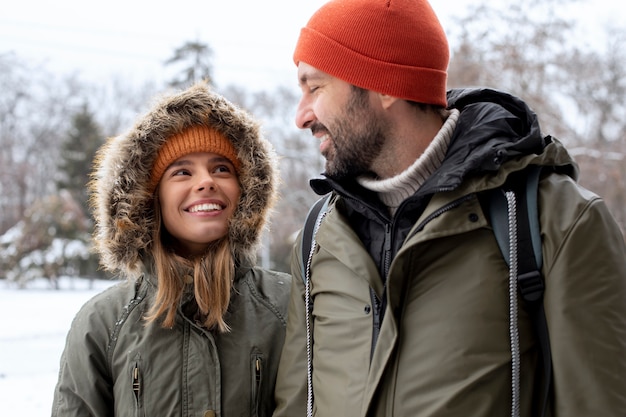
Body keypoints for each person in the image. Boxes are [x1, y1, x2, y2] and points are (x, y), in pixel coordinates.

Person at [273, 0, 626, 416]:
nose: (301, 116)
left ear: (386, 83)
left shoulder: (553, 220)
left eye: (315, 87)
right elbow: (297, 403)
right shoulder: (318, 237)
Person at [52, 82, 291, 417]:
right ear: (151, 200)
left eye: (221, 168)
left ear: (245, 190)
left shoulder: (290, 306)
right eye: (182, 172)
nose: (206, 181)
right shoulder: (102, 324)